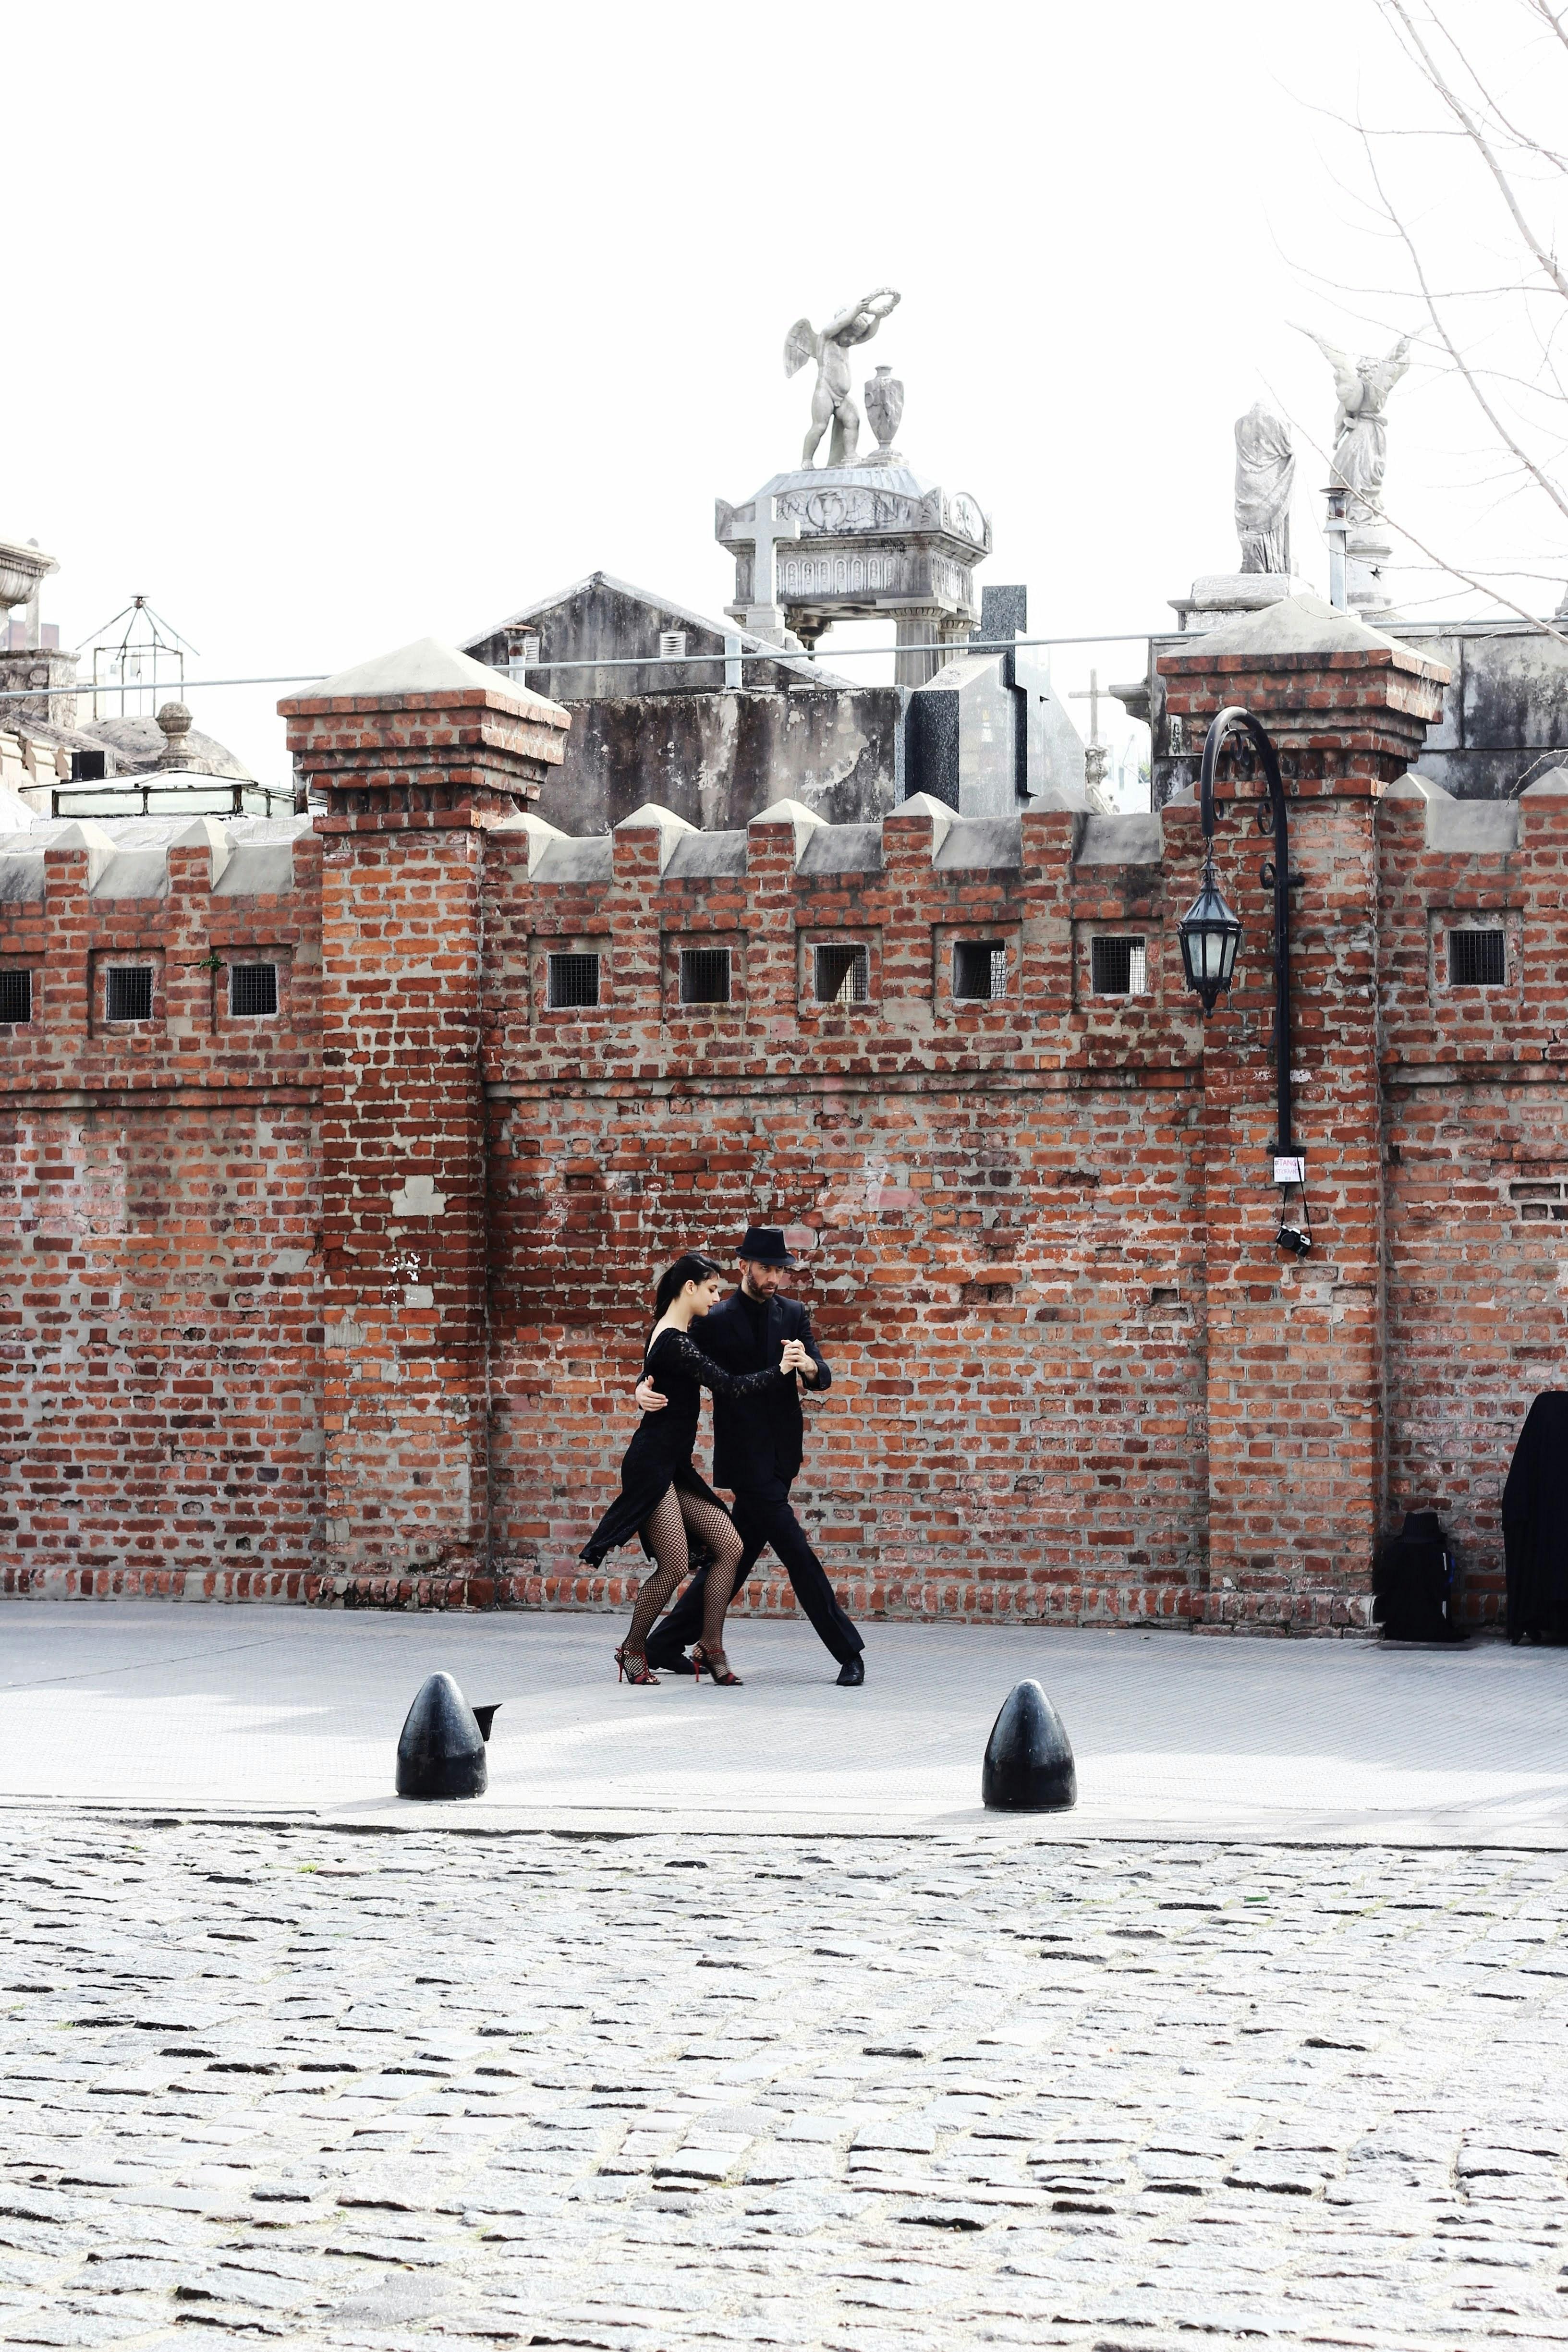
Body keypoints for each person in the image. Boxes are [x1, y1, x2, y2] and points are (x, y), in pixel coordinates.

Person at [635, 1228, 866, 1686]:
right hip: (746, 1458)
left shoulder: (794, 1314)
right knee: (797, 1553)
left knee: (733, 1556)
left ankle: (663, 1643)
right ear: (744, 1266)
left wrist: (809, 1366)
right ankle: (848, 1652)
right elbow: (667, 1349)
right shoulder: (714, 1317)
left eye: (780, 1269)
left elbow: (823, 1378)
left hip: (784, 1455)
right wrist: (641, 1385)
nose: (774, 1277)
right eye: (766, 1268)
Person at [581, 1251, 793, 1686]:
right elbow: (731, 1388)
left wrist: (639, 1385)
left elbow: (651, 1370)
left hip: (672, 1465)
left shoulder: (672, 1330)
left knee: (729, 1546)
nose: (718, 1298)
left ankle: (708, 1644)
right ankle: (632, 1649)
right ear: (691, 1288)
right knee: (674, 1565)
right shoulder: (676, 1341)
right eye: (713, 1289)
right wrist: (782, 1369)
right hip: (652, 1466)